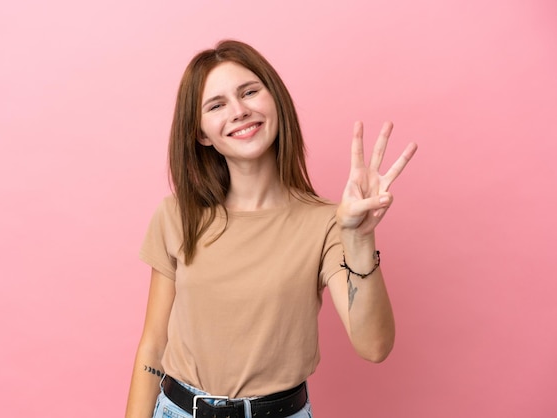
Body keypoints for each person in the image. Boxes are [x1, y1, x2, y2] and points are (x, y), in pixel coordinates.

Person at [125, 39, 417, 418]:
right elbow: (153, 344)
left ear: (275, 100)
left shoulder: (328, 222)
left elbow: (375, 346)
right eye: (217, 105)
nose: (240, 111)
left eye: (249, 92)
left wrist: (360, 238)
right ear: (200, 133)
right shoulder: (177, 215)